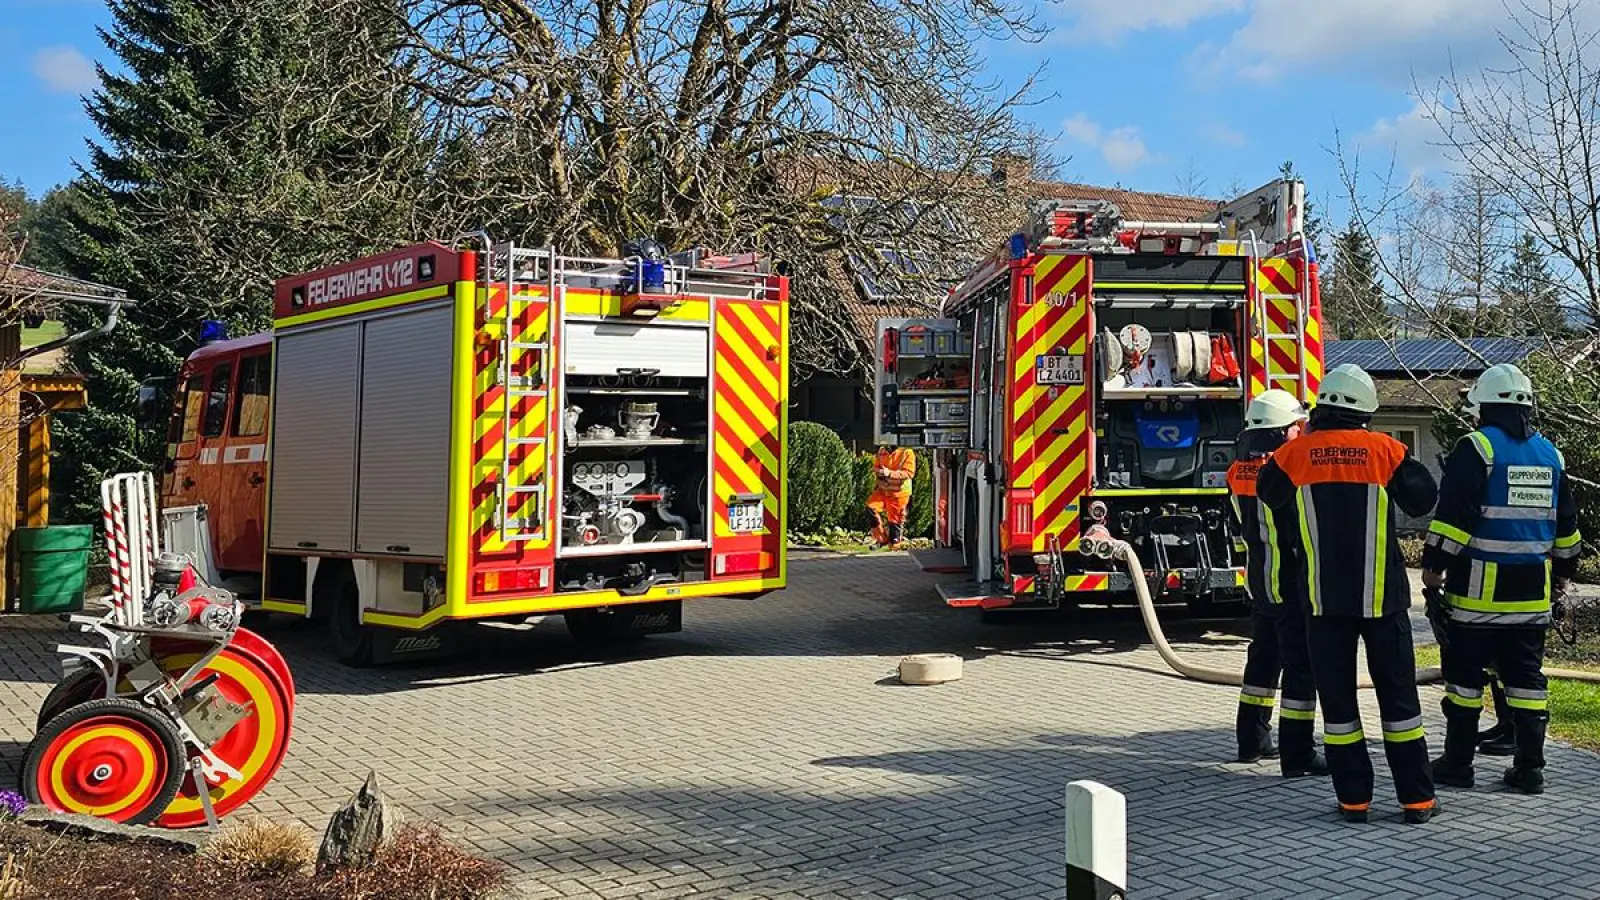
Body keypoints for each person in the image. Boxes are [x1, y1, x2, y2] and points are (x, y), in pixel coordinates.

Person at [1257, 364, 1441, 823]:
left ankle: (1353, 801)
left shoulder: (1293, 454)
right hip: (1384, 601)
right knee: (1399, 703)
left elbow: (1267, 494)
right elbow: (1423, 499)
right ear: (1365, 410)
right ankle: (1417, 800)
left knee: (1339, 707)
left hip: (1322, 603)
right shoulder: (1387, 450)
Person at [1422, 363, 1581, 795]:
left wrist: (1433, 570)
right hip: (1532, 594)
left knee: (1464, 682)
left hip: (1477, 593)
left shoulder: (1476, 448)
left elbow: (1454, 519)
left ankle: (1457, 764)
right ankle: (1530, 769)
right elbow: (1566, 531)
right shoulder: (1551, 455)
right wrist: (1564, 575)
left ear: (1484, 408)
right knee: (1527, 682)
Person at [1228, 389, 1328, 777]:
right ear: (1280, 430)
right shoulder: (1289, 470)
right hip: (1290, 583)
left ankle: (1250, 741)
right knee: (1300, 670)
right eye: (1294, 426)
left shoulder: (1237, 470)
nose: (1299, 431)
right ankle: (1299, 752)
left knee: (1262, 664)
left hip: (1260, 582)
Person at [866, 444, 916, 546]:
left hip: (899, 493)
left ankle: (894, 548)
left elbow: (909, 473)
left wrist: (889, 473)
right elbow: (875, 466)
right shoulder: (882, 450)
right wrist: (879, 472)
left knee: (895, 522)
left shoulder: (907, 452)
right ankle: (882, 539)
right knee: (870, 508)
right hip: (883, 490)